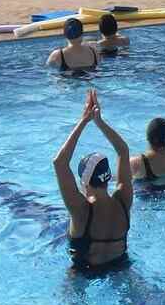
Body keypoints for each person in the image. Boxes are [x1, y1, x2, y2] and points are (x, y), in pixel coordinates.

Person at [52, 88, 133, 273]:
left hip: (83, 273)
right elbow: (123, 151)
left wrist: (84, 121)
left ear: (84, 181)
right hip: (121, 267)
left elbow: (59, 163)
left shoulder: (80, 210)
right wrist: (100, 122)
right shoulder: (123, 200)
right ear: (107, 178)